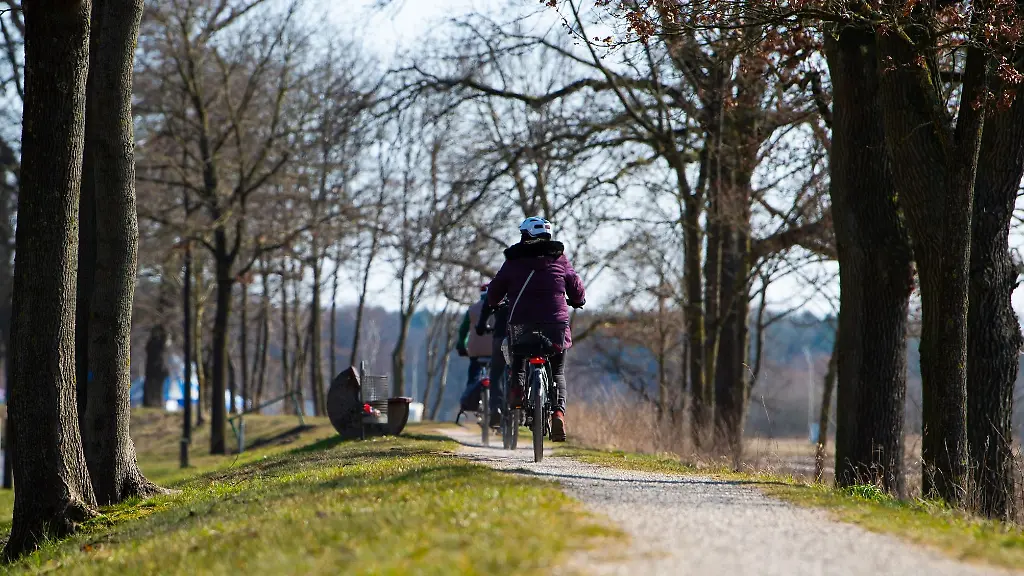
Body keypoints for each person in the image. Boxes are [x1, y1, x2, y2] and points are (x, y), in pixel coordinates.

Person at [486, 217, 585, 441]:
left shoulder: (513, 260)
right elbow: (575, 285)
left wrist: (493, 303)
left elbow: (495, 290)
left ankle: (517, 392)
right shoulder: (559, 259)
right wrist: (577, 300)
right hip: (555, 324)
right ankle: (558, 413)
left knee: (518, 357)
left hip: (521, 322)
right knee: (558, 372)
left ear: (525, 235)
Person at [456, 284, 494, 417]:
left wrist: (461, 345)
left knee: (474, 376)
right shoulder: (502, 307)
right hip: (496, 350)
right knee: (500, 375)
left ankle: (469, 402)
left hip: (475, 350)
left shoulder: (472, 309)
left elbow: (463, 330)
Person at [476, 294, 509, 428]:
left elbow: (487, 306)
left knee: (496, 374)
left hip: (500, 337)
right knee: (519, 369)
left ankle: (496, 408)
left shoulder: (500, 286)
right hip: (521, 335)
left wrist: (481, 326)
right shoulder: (526, 281)